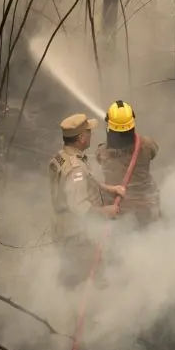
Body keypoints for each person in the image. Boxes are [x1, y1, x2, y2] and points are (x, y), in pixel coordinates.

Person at [49, 112, 124, 287]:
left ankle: (67, 301)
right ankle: (92, 309)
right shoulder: (76, 169)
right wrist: (105, 211)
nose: (91, 134)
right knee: (94, 273)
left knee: (70, 270)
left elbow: (82, 183)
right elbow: (79, 206)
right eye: (89, 132)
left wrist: (109, 188)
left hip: (61, 227)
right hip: (74, 234)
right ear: (82, 138)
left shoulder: (63, 157)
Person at [94, 100, 161, 226]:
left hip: (120, 214)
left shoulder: (103, 153)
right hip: (146, 210)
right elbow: (154, 151)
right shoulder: (147, 145)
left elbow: (100, 158)